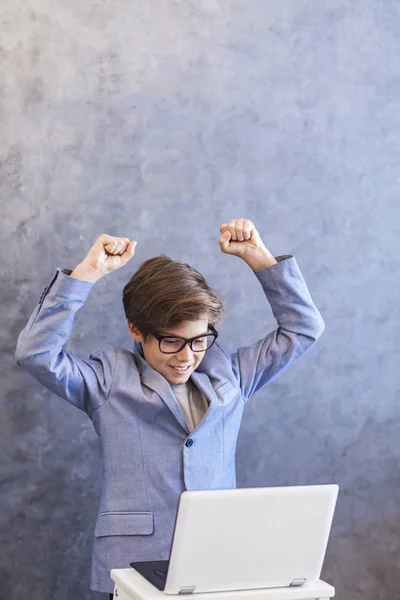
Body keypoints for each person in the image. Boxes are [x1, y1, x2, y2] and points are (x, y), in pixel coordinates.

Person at [15, 218, 325, 597]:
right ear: (135, 330)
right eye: (171, 342)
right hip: (133, 566)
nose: (186, 357)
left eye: (199, 341)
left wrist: (259, 258)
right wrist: (86, 274)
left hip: (217, 562)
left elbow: (303, 329)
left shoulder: (233, 376)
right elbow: (36, 353)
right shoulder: (108, 380)